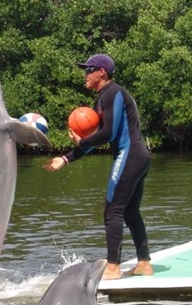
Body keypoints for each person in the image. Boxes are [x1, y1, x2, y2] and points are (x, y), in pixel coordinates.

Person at [43, 53, 153, 280]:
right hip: (137, 156)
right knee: (130, 211)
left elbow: (109, 133)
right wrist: (64, 159)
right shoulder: (102, 99)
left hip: (129, 154)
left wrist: (83, 141)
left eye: (88, 70)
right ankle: (144, 264)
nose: (85, 74)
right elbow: (96, 140)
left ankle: (113, 268)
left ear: (101, 72)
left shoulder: (113, 92)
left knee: (113, 211)